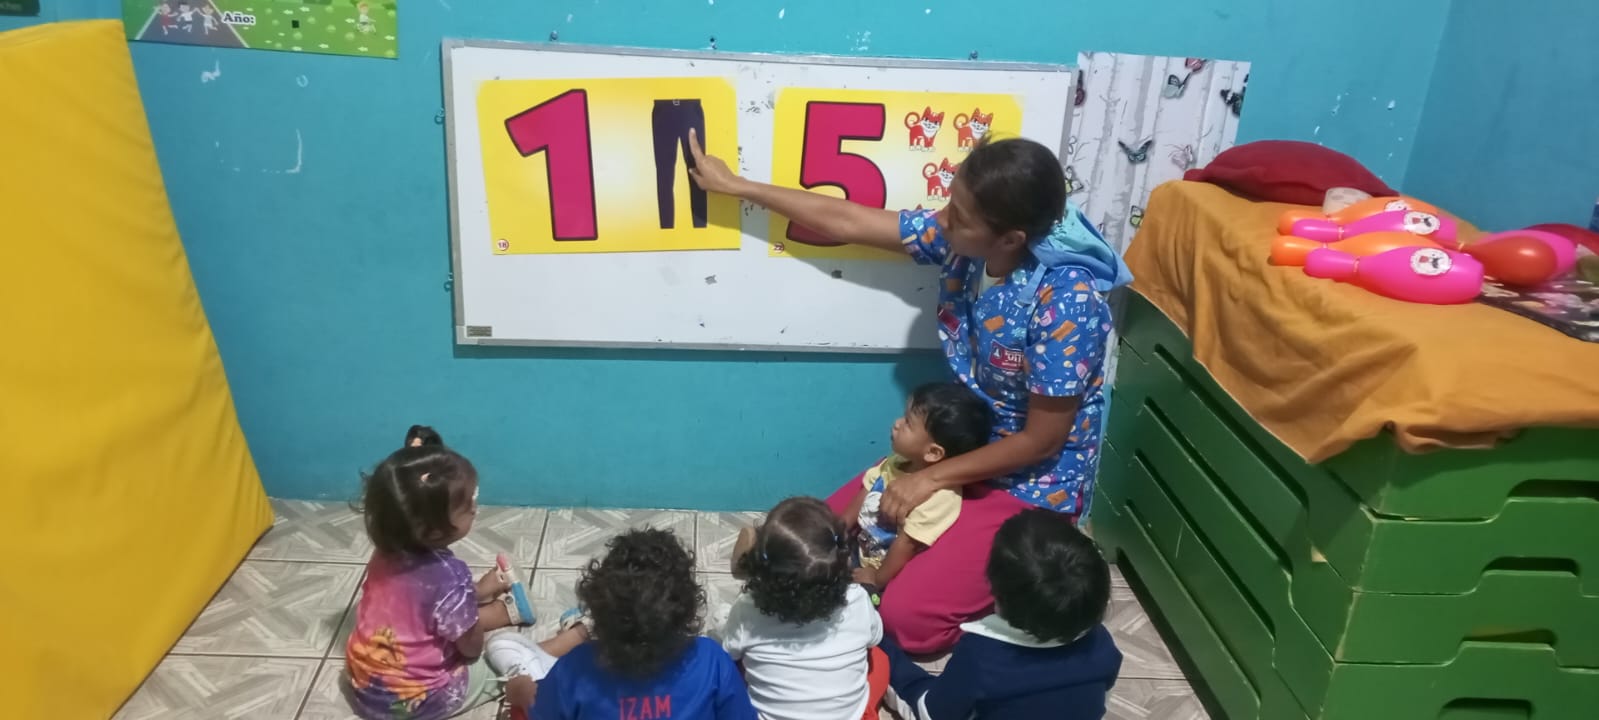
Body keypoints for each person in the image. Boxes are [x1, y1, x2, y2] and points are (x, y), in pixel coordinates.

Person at [686, 130, 1130, 653]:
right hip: (960, 449)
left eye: (959, 215)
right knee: (821, 533)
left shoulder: (1067, 299)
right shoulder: (966, 239)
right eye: (951, 202)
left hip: (1029, 485)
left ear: (1010, 239)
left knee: (905, 619)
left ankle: (1022, 591)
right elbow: (849, 220)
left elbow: (1042, 441)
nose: (943, 218)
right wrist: (738, 186)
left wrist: (930, 479)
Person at [344, 432, 586, 719]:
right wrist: (474, 636)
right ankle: (571, 638)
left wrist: (472, 595)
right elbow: (470, 647)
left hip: (366, 687)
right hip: (419, 699)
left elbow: (420, 607)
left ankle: (488, 601)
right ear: (434, 529)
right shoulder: (449, 575)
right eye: (470, 502)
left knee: (437, 615)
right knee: (500, 652)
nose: (474, 507)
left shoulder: (384, 553)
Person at [881, 509, 1122, 719]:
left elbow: (929, 714)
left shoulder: (981, 657)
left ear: (995, 591)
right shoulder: (1101, 643)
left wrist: (880, 643)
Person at [529, 529, 758, 720]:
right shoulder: (711, 661)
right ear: (687, 609)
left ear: (599, 610)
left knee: (512, 648)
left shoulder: (573, 670)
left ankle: (571, 630)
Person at [723, 497, 886, 720]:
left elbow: (729, 653)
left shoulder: (747, 609)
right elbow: (875, 637)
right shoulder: (857, 598)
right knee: (879, 658)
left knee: (735, 666)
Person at [841, 383, 991, 596]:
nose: (897, 423)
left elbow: (907, 544)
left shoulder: (939, 498)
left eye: (908, 423)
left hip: (884, 571)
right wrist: (839, 529)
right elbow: (867, 490)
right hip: (860, 551)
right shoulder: (896, 462)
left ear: (933, 453)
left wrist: (877, 579)